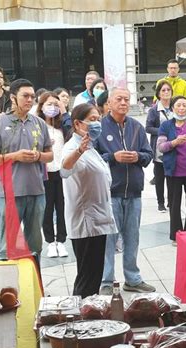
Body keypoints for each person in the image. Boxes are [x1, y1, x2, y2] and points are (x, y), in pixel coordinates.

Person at [0, 78, 53, 260]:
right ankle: (11, 288)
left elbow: (50, 155)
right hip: (8, 194)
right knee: (9, 246)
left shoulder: (39, 123)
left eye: (32, 96)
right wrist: (15, 156)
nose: (30, 100)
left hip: (36, 191)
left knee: (35, 245)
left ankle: (35, 287)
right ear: (13, 98)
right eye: (25, 96)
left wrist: (38, 156)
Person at [96, 87, 155, 295]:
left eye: (126, 99)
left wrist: (138, 156)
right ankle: (106, 281)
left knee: (132, 237)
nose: (123, 103)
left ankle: (132, 278)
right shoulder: (99, 127)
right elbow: (91, 159)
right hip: (110, 193)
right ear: (109, 103)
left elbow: (149, 155)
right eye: (119, 99)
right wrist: (113, 157)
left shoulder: (137, 127)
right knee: (109, 239)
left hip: (134, 192)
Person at [61, 103, 117, 298]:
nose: (97, 124)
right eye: (92, 120)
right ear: (77, 124)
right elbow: (65, 169)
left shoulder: (90, 146)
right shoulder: (73, 147)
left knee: (94, 276)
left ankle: (90, 314)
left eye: (98, 119)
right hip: (86, 222)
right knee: (87, 278)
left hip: (99, 219)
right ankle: (81, 318)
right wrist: (79, 152)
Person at [157, 96, 186, 243]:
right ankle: (176, 235)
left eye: (184, 105)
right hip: (173, 171)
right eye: (178, 105)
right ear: (173, 108)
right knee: (174, 205)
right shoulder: (166, 126)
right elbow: (161, 147)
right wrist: (175, 142)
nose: (182, 108)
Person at [36, 92, 68, 258]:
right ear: (41, 106)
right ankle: (49, 241)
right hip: (45, 173)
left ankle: (61, 241)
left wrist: (64, 111)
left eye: (56, 104)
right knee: (47, 208)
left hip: (62, 172)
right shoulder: (38, 126)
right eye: (49, 104)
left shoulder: (63, 126)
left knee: (62, 207)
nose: (53, 108)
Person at [146, 80, 173, 213]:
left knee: (172, 176)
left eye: (168, 90)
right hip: (159, 149)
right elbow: (148, 128)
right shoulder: (154, 110)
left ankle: (171, 201)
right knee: (160, 176)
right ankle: (160, 202)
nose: (166, 92)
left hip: (174, 147)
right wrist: (163, 131)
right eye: (163, 90)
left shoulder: (175, 107)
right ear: (158, 94)